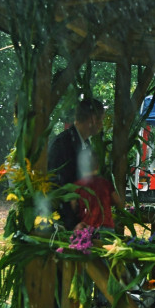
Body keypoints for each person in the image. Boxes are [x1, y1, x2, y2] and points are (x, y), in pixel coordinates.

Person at [47, 97, 105, 229]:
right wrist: (72, 222)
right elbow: (57, 185)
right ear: (92, 119)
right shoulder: (63, 143)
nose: (102, 125)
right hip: (62, 221)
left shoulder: (85, 144)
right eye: (101, 120)